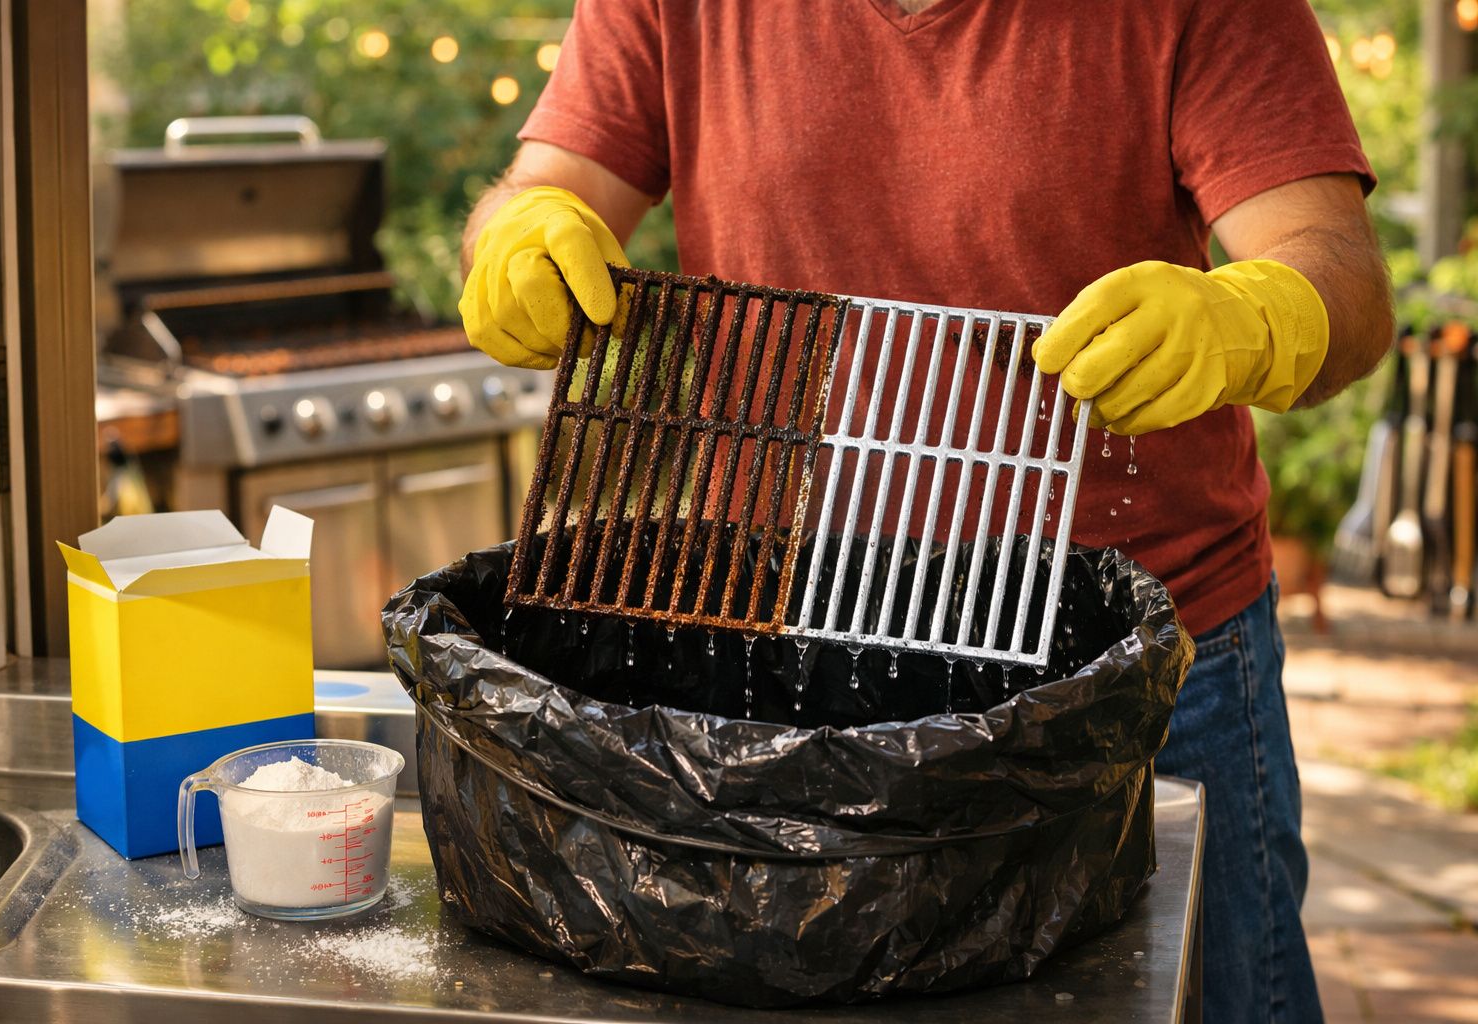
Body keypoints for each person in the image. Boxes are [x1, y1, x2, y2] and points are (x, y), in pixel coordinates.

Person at [456, 2, 1393, 1020]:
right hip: (790, 649)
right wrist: (518, 234)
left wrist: (1259, 318)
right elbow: (546, 187)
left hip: (1137, 665)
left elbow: (1337, 265)